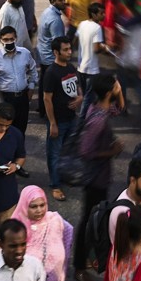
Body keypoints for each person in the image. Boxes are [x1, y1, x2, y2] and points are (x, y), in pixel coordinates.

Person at [71, 73, 125, 281]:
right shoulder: (98, 119)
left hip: (100, 177)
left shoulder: (101, 108)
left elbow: (119, 109)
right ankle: (80, 267)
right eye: (116, 85)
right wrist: (111, 151)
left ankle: (85, 260)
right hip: (94, 178)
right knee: (88, 222)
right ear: (109, 91)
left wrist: (118, 92)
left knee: (94, 219)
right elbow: (85, 150)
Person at [39, 36, 81, 203]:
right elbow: (46, 99)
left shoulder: (70, 67)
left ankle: (64, 177)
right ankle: (55, 185)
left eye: (70, 49)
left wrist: (80, 98)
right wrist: (53, 123)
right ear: (56, 52)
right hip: (58, 121)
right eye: (65, 50)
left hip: (72, 119)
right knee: (55, 154)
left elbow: (78, 87)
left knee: (68, 152)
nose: (69, 52)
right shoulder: (51, 73)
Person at [0, 24, 38, 136]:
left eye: (11, 39)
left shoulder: (24, 53)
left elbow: (33, 69)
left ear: (16, 38)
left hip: (22, 98)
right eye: (6, 39)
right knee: (5, 132)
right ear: (0, 40)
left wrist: (31, 87)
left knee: (21, 131)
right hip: (6, 99)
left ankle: (19, 152)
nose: (9, 42)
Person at [75, 2, 107, 81]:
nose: (104, 15)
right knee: (90, 92)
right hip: (91, 69)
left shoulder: (82, 24)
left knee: (83, 91)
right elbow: (96, 49)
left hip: (80, 67)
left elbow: (75, 41)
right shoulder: (97, 28)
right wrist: (105, 48)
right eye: (101, 13)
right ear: (93, 14)